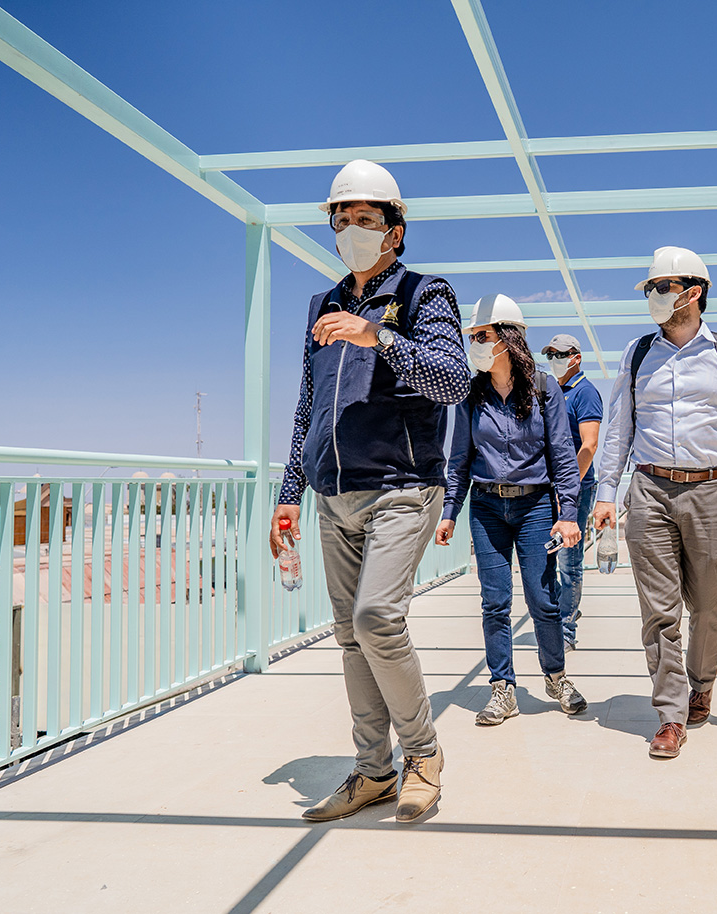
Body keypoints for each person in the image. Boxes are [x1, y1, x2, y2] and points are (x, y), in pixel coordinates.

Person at [274, 159, 469, 823]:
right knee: (348, 636)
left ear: (395, 230)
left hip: (402, 487)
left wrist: (378, 335)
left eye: (365, 218)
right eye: (341, 218)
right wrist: (287, 491)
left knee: (376, 619)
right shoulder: (320, 304)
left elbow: (451, 381)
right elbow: (307, 407)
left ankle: (423, 754)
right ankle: (372, 771)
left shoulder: (423, 294)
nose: (350, 228)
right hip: (332, 492)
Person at [594, 246, 717, 760]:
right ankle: (670, 714)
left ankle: (702, 682)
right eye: (650, 289)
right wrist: (607, 492)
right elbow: (617, 428)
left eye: (659, 288)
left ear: (692, 293)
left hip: (713, 491)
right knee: (659, 610)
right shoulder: (637, 352)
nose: (652, 297)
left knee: (709, 606)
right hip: (648, 489)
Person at [435, 295, 588, 726]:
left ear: (506, 338)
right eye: (472, 337)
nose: (475, 344)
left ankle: (556, 676)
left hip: (536, 507)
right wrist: (449, 511)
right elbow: (459, 458)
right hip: (485, 509)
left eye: (481, 336)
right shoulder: (470, 393)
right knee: (494, 602)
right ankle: (503, 688)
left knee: (543, 599)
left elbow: (562, 454)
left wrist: (569, 513)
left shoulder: (544, 388)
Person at [539, 333, 603, 651]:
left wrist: (568, 488)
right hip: (546, 488)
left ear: (576, 357)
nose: (554, 359)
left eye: (559, 354)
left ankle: (566, 629)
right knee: (545, 557)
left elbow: (589, 445)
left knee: (569, 560)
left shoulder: (585, 392)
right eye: (550, 354)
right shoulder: (553, 392)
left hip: (574, 487)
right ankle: (555, 618)